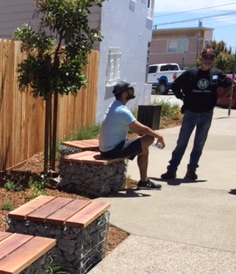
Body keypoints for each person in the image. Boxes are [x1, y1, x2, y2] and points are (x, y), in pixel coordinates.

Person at [161, 48, 233, 180]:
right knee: (182, 143)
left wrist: (220, 98)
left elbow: (230, 84)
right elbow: (175, 85)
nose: (208, 60)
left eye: (211, 58)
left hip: (206, 114)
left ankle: (191, 171)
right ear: (201, 58)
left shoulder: (217, 73)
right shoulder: (191, 73)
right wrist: (182, 97)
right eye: (206, 57)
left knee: (199, 145)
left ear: (213, 60)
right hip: (190, 114)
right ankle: (171, 170)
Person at [99, 81, 165, 189]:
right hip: (113, 150)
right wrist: (159, 136)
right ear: (124, 94)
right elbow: (141, 129)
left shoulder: (114, 106)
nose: (133, 90)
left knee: (144, 149)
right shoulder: (121, 110)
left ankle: (144, 181)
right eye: (131, 89)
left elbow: (137, 129)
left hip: (106, 149)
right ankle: (144, 181)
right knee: (149, 138)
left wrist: (140, 132)